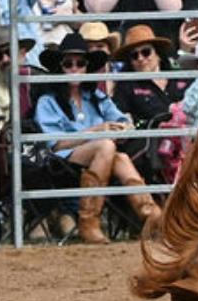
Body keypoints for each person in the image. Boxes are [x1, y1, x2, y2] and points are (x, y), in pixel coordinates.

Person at [33, 32, 159, 243]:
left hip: (99, 155)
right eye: (68, 64)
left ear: (87, 67)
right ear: (60, 67)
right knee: (107, 147)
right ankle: (91, 221)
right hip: (62, 159)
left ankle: (149, 216)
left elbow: (122, 120)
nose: (75, 69)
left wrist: (122, 127)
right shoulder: (48, 101)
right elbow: (54, 144)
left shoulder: (98, 97)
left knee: (120, 157)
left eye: (80, 63)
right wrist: (96, 131)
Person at [111, 23, 190, 186]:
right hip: (152, 144)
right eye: (134, 56)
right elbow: (120, 115)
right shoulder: (127, 86)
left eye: (146, 52)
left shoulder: (180, 77)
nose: (140, 58)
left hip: (187, 138)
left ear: (158, 54)